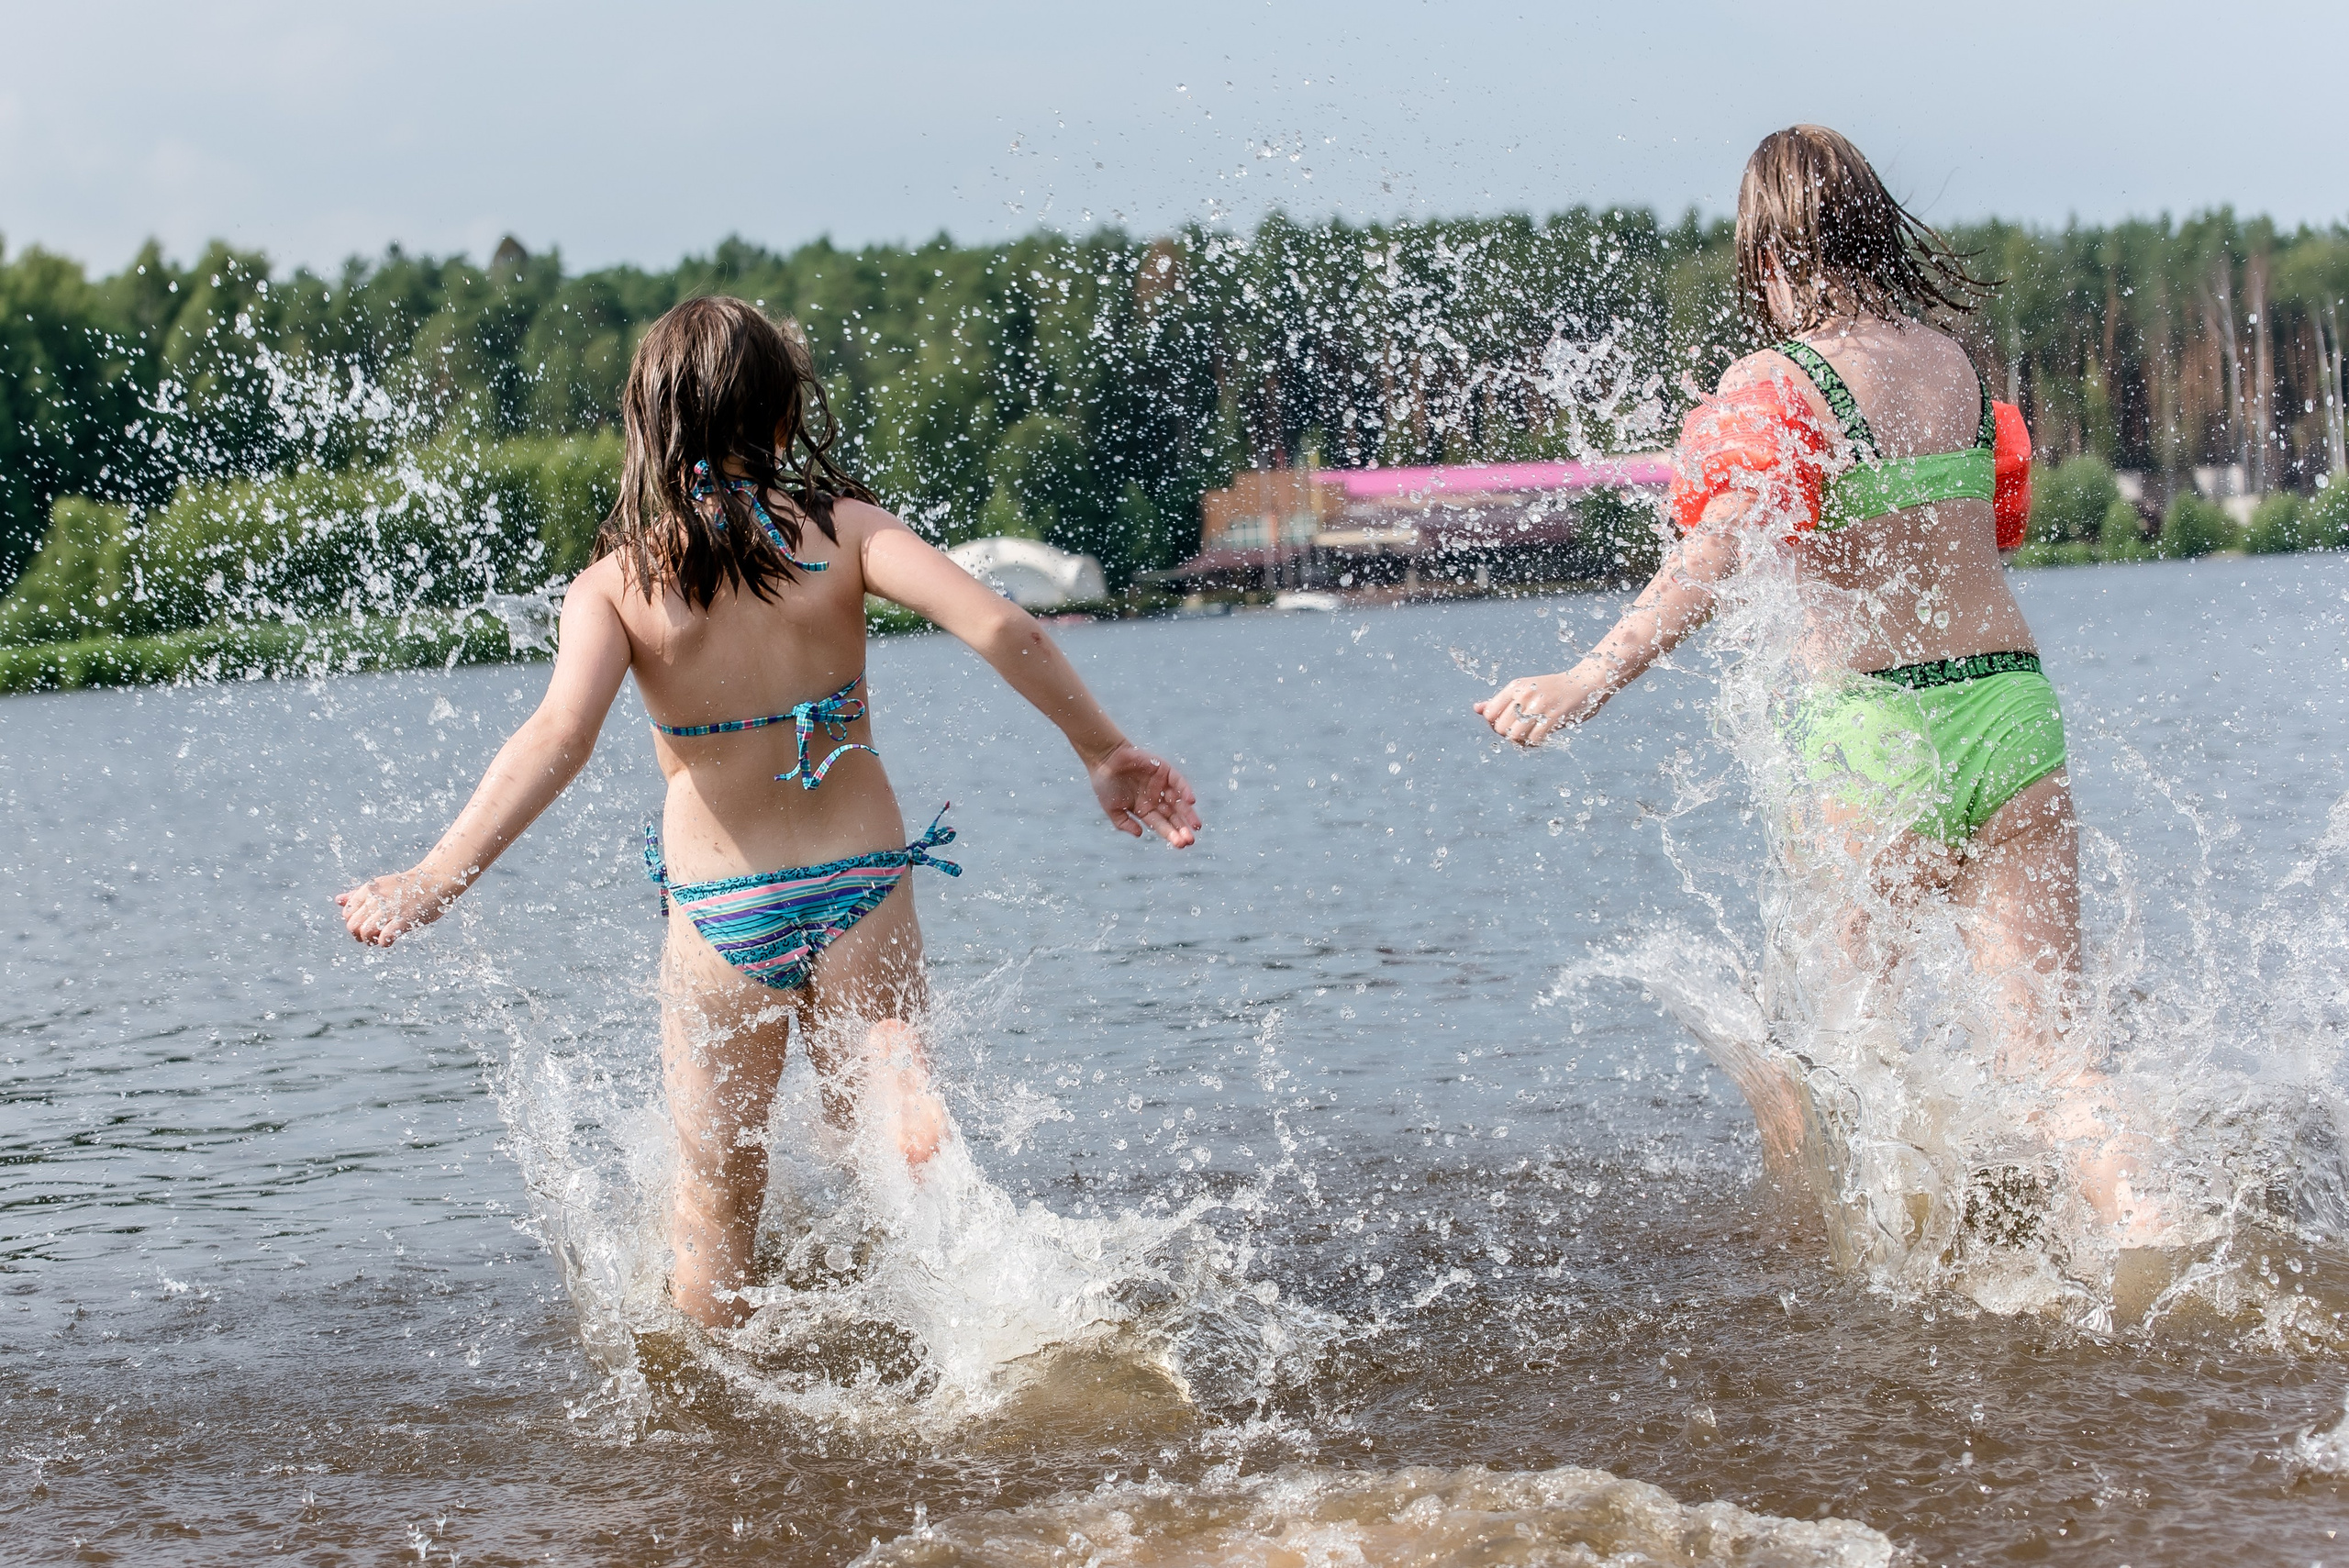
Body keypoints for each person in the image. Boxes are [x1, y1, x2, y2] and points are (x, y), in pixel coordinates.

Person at [337, 296, 1201, 1328]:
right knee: (864, 1136)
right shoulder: (845, 535)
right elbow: (1003, 624)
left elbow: (555, 738)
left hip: (717, 911)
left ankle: (710, 1419)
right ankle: (888, 1073)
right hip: (858, 886)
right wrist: (1101, 748)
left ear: (650, 426)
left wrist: (434, 877)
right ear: (784, 419)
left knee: (714, 1193)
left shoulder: (615, 586)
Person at [1475, 126, 2156, 1243]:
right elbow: (1987, 531)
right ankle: (2150, 1230)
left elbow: (1710, 558)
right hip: (2009, 708)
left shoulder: (1774, 386)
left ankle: (1823, 1290)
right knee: (2052, 1057)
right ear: (1874, 233)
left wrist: (1587, 676)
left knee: (1831, 1050)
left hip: (1872, 734)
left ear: (1774, 257)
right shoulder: (1956, 367)